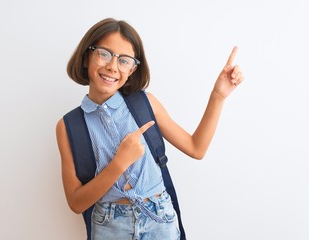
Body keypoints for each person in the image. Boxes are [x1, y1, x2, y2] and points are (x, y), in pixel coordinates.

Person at [56, 18, 244, 240]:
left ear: (133, 69)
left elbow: (196, 148)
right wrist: (119, 163)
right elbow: (76, 203)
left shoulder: (145, 104)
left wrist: (218, 96)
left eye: (124, 60)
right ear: (88, 56)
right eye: (104, 53)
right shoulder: (69, 126)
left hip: (159, 220)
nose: (112, 66)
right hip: (109, 226)